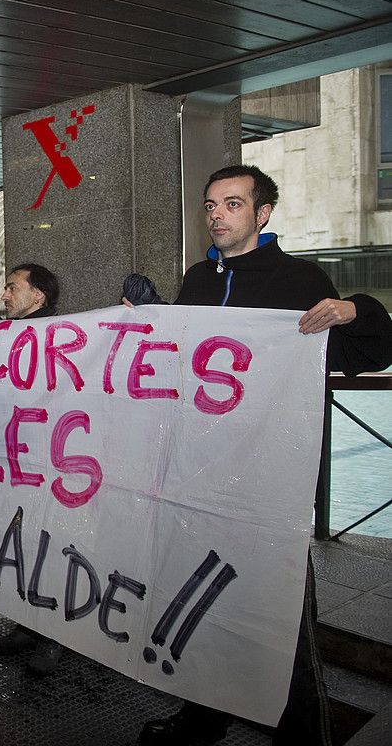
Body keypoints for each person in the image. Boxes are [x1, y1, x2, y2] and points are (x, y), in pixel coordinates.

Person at [136, 165, 392, 746]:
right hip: (199, 475)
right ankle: (203, 715)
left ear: (263, 213)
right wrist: (146, 322)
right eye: (210, 205)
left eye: (232, 203)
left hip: (270, 480)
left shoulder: (298, 279)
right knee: (198, 597)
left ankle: (303, 733)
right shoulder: (198, 278)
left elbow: (369, 350)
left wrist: (356, 309)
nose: (218, 214)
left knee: (280, 615)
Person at [0, 262, 66, 674]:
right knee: (23, 545)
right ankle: (28, 624)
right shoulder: (7, 335)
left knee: (49, 548)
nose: (4, 294)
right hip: (16, 462)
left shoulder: (63, 337)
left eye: (12, 288)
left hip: (49, 467)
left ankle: (54, 636)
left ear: (38, 296)